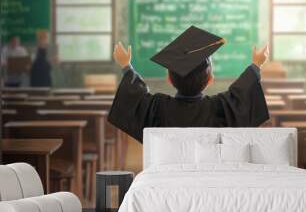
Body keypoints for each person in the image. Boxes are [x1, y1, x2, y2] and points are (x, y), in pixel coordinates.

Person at [108, 26, 270, 143]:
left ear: (169, 79)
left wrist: (126, 66)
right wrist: (256, 65)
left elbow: (135, 96)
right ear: (210, 80)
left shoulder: (157, 108)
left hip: (168, 181)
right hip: (210, 180)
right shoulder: (219, 108)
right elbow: (240, 96)